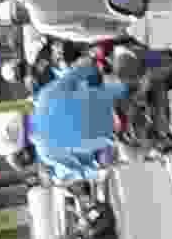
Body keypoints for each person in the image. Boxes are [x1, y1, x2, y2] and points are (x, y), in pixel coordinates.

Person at [21, 44, 131, 186]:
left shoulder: (46, 153)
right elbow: (77, 75)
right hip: (120, 96)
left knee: (135, 154)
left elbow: (82, 167)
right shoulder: (44, 97)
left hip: (119, 131)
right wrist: (93, 63)